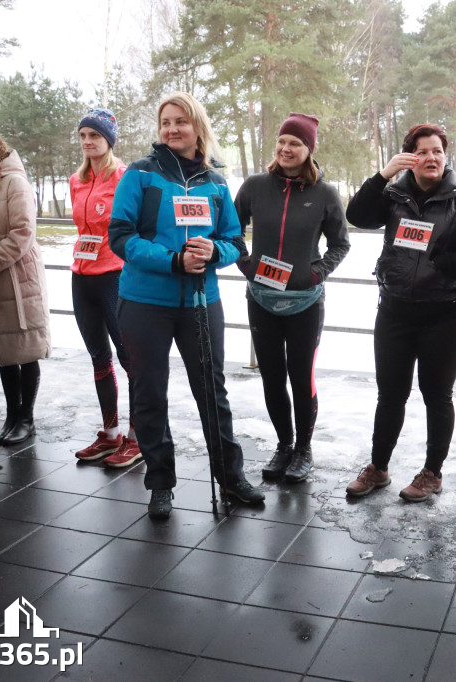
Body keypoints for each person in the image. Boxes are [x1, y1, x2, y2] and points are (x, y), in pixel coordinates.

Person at [109, 92, 265, 519]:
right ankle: (160, 482)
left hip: (201, 302)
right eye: (165, 122)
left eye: (180, 121)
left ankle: (230, 477)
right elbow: (121, 237)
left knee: (212, 392)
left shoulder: (215, 182)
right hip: (144, 302)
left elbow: (235, 240)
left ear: (197, 126)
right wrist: (173, 260)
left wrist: (214, 253)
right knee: (149, 392)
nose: (172, 129)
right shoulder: (139, 174)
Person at [345, 123, 456, 502]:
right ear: (410, 158)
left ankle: (432, 472)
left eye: (438, 152)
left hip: (446, 314)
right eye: (423, 151)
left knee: (436, 395)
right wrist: (383, 175)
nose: (431, 158)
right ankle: (378, 468)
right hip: (395, 310)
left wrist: (443, 263)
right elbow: (358, 216)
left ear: (446, 158)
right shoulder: (394, 194)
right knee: (390, 394)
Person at [234, 113, 350, 483]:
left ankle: (304, 449)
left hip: (305, 300)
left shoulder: (324, 194)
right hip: (261, 298)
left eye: (295, 143)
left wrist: (316, 272)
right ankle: (284, 445)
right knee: (271, 375)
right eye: (282, 141)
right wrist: (246, 264)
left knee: (301, 376)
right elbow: (230, 231)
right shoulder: (254, 187)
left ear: (309, 150)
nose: (286, 148)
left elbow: (340, 243)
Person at [0, 125, 51, 447]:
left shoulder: (14, 182)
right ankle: (12, 415)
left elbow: (21, 233)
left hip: (19, 278)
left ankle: (26, 417)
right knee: (4, 349)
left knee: (26, 347)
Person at [69, 109, 140, 466]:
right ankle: (110, 433)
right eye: (82, 136)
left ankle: (137, 437)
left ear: (108, 140)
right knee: (99, 356)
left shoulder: (125, 178)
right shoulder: (76, 180)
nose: (87, 142)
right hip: (82, 276)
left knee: (130, 358)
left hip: (114, 276)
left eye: (94, 136)